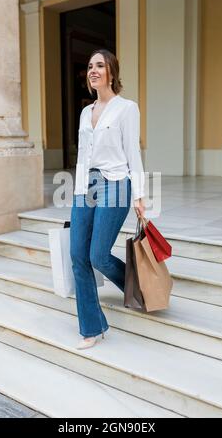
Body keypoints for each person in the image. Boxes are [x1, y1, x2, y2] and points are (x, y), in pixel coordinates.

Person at [70, 48, 146, 350]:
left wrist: (139, 195)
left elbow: (133, 151)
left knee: (98, 256)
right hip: (85, 186)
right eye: (90, 66)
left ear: (111, 72)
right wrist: (77, 190)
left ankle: (137, 287)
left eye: (100, 65)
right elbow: (82, 156)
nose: (93, 70)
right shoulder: (85, 112)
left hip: (115, 183)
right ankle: (92, 327)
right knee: (78, 255)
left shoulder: (127, 108)